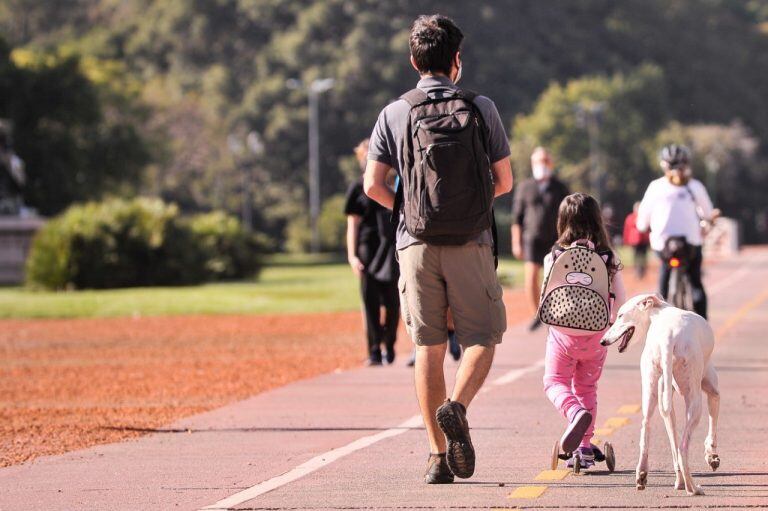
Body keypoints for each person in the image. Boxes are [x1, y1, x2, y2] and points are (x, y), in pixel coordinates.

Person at [363, 14, 513, 484]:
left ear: (414, 60)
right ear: (456, 62)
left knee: (427, 346)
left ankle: (436, 456)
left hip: (416, 243)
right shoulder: (481, 106)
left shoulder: (395, 112)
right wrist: (471, 211)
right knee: (481, 340)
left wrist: (407, 211)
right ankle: (458, 406)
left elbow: (372, 185)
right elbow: (504, 181)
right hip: (471, 240)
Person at [541, 193, 626, 469]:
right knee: (587, 386)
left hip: (563, 336)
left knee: (554, 382)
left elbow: (547, 296)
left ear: (562, 221)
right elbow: (621, 299)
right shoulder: (608, 257)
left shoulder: (554, 256)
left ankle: (573, 411)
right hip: (596, 336)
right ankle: (585, 449)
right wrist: (615, 325)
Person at [636, 144, 714, 318]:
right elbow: (708, 212)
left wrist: (643, 227)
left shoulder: (655, 187)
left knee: (664, 275)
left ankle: (659, 316)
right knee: (695, 284)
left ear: (664, 165)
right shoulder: (695, 186)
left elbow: (642, 220)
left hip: (663, 246)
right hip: (691, 244)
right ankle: (703, 323)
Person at [344, 138, 400, 366]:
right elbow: (353, 225)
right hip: (367, 248)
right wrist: (352, 255)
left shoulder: (396, 183)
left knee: (393, 302)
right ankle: (374, 349)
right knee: (370, 302)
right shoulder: (357, 188)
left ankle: (390, 343)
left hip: (392, 249)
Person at [511, 147, 570, 331]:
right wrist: (516, 242)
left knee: (555, 278)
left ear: (551, 163)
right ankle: (537, 314)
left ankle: (556, 312)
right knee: (531, 278)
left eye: (545, 161)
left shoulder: (560, 188)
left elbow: (569, 215)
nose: (541, 165)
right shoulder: (525, 187)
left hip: (555, 239)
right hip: (531, 238)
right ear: (532, 164)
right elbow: (517, 218)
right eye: (538, 161)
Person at [623, 202, 650, 279]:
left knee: (643, 256)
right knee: (636, 256)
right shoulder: (630, 217)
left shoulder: (644, 217)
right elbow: (627, 230)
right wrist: (626, 240)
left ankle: (642, 270)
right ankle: (637, 270)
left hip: (644, 240)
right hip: (634, 241)